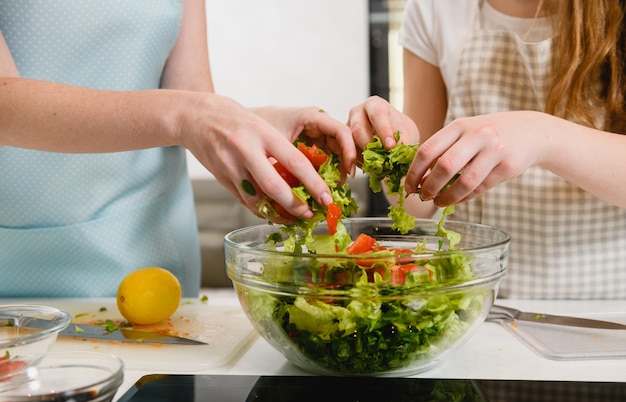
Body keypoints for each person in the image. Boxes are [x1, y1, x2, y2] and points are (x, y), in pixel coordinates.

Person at [0, 0, 357, 297]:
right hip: (19, 258)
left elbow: (191, 95)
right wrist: (191, 115)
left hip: (154, 249)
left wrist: (257, 125)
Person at [348, 0, 626, 299]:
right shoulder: (434, 9)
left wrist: (544, 135)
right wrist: (395, 153)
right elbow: (418, 205)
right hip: (480, 304)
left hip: (607, 310)